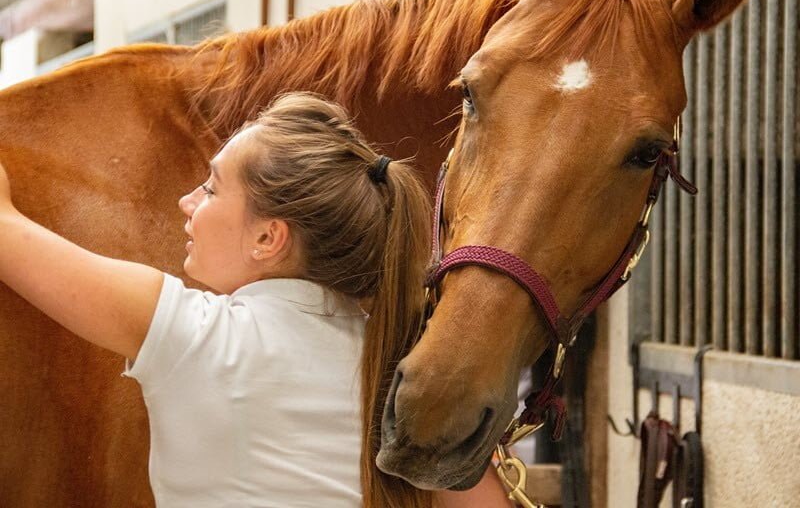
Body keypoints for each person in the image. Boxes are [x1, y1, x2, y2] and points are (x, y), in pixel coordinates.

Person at [0, 92, 513, 507]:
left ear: (268, 239)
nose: (188, 202)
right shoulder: (399, 372)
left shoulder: (189, 334)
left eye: (211, 188)